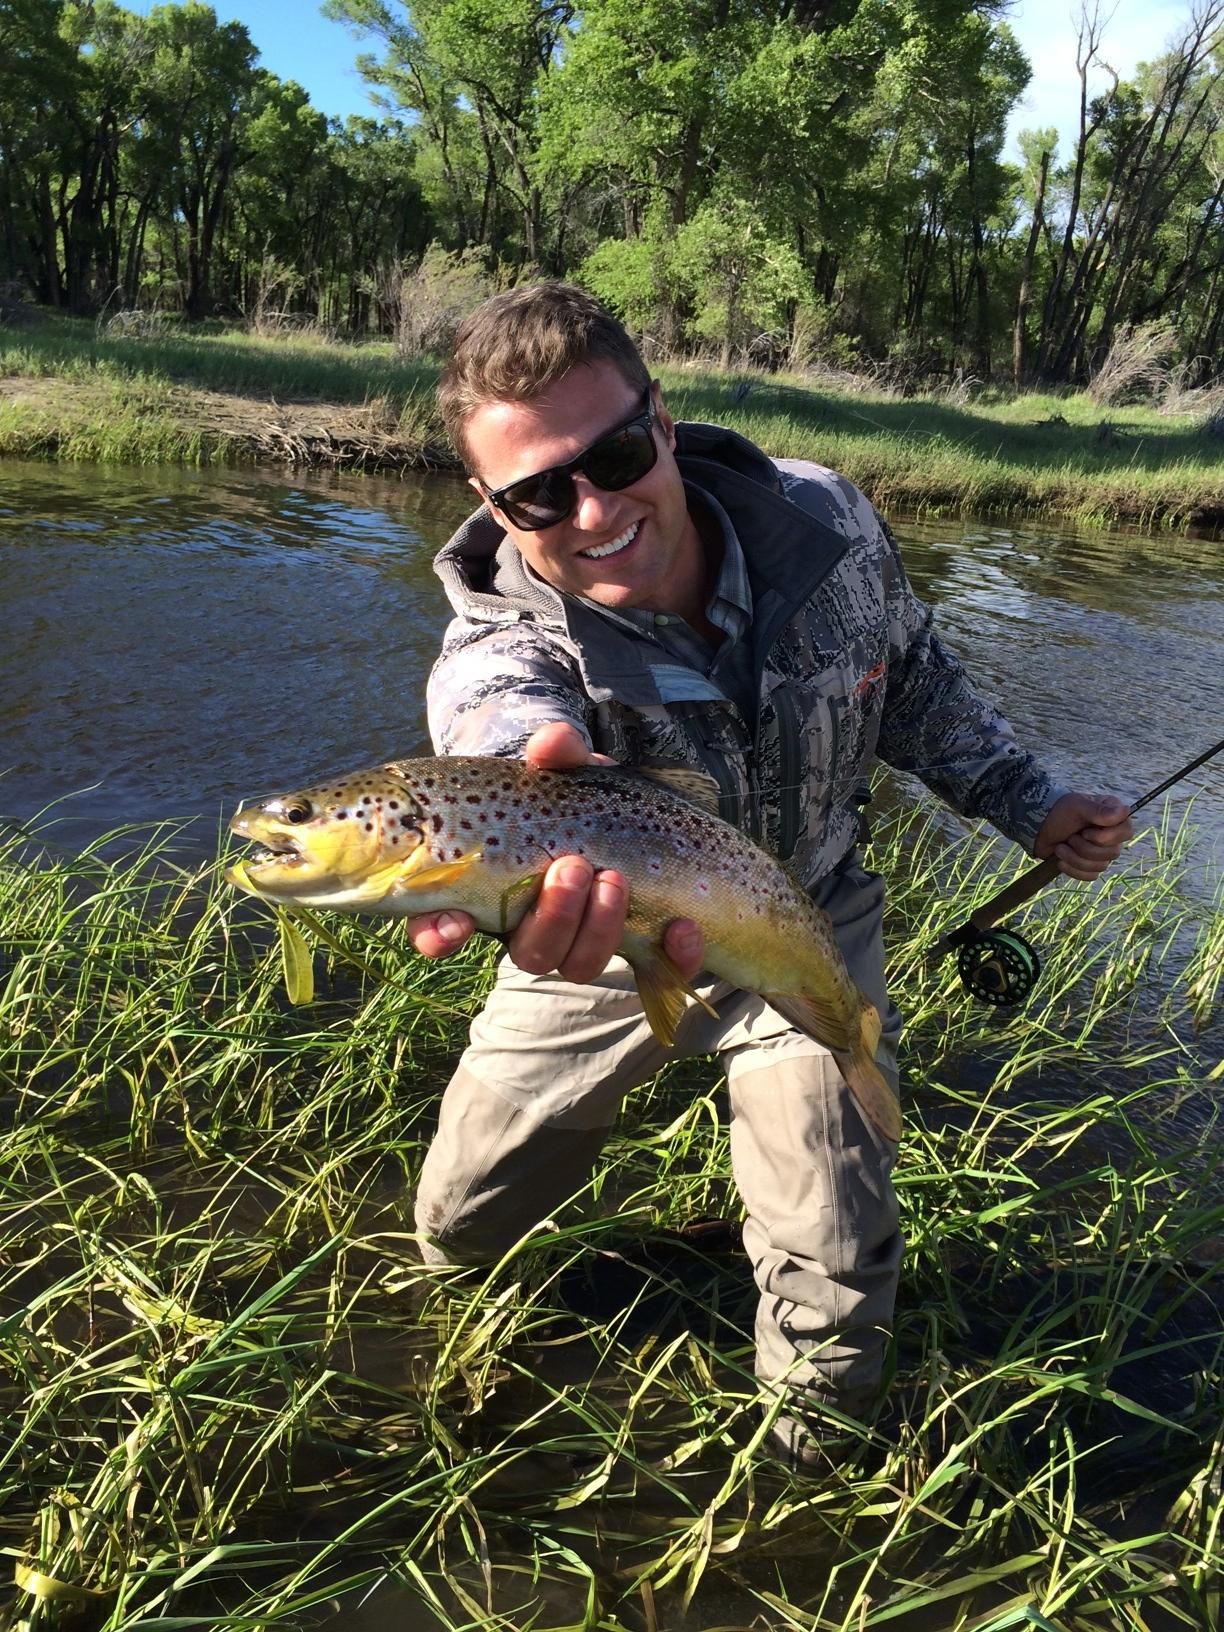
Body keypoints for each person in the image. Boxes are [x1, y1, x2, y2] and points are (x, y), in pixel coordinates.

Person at [404, 281, 1133, 1470]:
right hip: (602, 940)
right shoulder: (501, 643)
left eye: (618, 452)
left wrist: (1034, 806)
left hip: (806, 915)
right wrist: (515, 788)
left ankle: (807, 1498)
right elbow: (493, 728)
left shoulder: (829, 525)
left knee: (838, 1255)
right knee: (460, 1215)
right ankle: (438, 1335)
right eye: (538, 492)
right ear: (492, 504)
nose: (592, 509)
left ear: (666, 422)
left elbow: (918, 684)